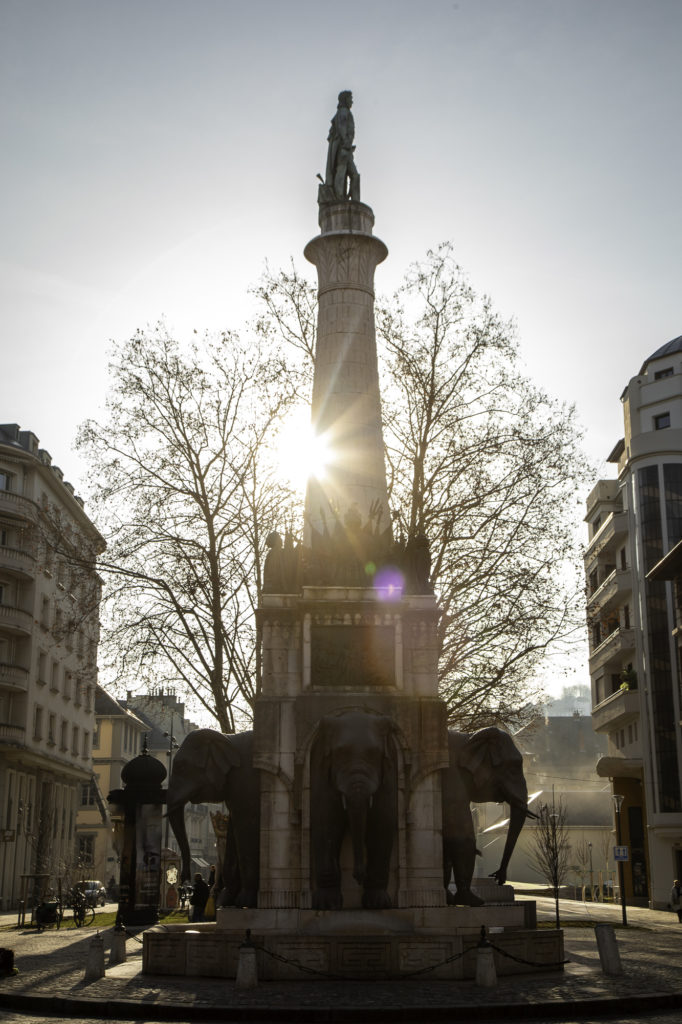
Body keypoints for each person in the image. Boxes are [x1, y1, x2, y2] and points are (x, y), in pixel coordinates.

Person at [325, 91, 360, 201]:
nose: (352, 101)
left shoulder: (343, 112)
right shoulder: (344, 112)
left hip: (346, 148)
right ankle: (340, 198)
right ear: (345, 99)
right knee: (344, 171)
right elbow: (342, 128)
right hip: (344, 148)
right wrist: (346, 145)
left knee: (351, 174)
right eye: (350, 98)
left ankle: (352, 199)